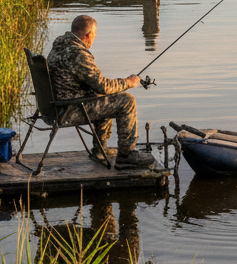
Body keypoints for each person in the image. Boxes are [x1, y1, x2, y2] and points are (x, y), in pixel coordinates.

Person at [46, 15, 156, 169]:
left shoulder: (60, 46)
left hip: (55, 107)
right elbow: (102, 86)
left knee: (106, 97)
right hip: (69, 110)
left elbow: (97, 86)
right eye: (94, 36)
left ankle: (100, 150)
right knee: (126, 101)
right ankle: (126, 156)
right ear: (88, 34)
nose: (93, 40)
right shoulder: (78, 54)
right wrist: (129, 82)